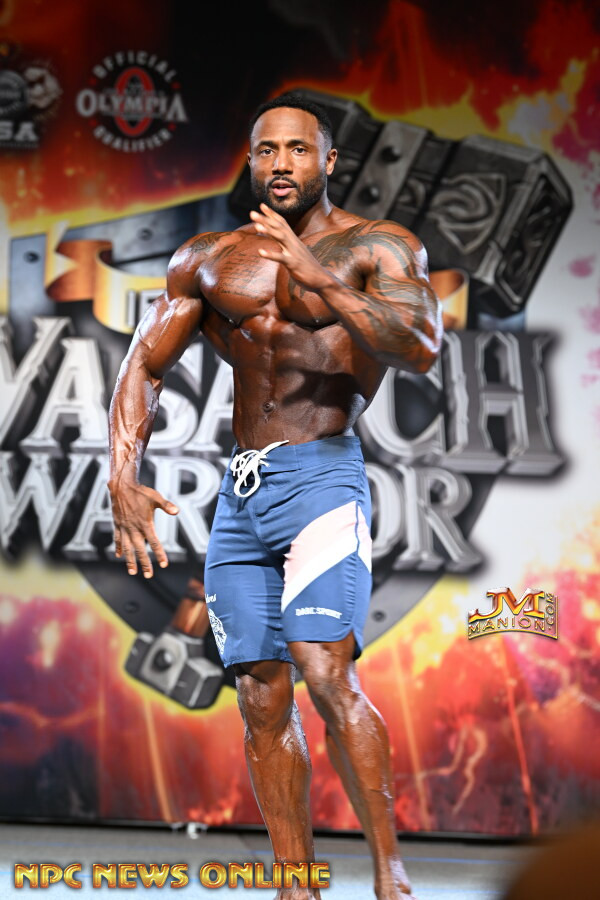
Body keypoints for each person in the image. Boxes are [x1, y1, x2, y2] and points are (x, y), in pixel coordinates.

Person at [108, 91, 442, 900]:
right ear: (251, 162)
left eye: (297, 149)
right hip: (243, 492)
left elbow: (421, 345)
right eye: (266, 151)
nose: (281, 164)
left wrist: (320, 279)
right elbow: (144, 363)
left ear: (330, 160)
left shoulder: (378, 245)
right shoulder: (210, 258)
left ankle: (390, 874)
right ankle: (296, 884)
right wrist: (121, 474)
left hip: (322, 476)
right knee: (260, 693)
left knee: (326, 674)